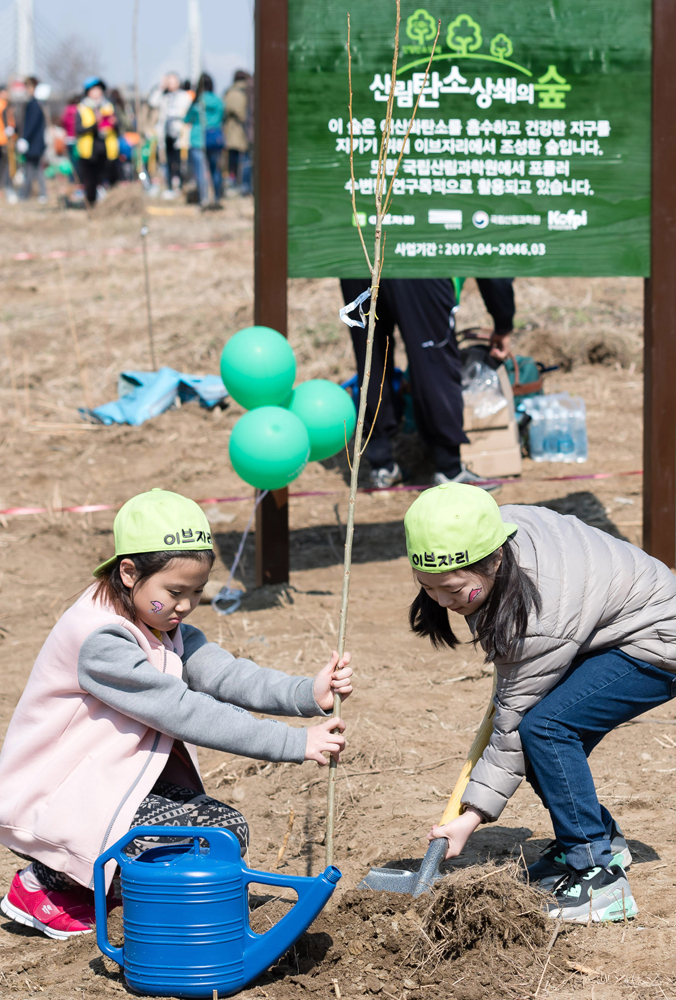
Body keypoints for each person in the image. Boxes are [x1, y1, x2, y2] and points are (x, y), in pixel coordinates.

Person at [0, 489, 352, 939]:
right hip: (60, 796)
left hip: (110, 784)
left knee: (225, 834)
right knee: (195, 842)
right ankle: (44, 883)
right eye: (175, 592)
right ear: (129, 572)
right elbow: (184, 712)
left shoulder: (158, 622)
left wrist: (306, 693)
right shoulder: (101, 640)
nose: (186, 605)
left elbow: (225, 674)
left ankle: (107, 884)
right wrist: (295, 742)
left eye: (197, 591)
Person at [405, 482, 676, 922]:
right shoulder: (485, 528)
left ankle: (598, 876)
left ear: (494, 559)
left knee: (546, 729)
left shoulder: (534, 617)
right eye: (428, 587)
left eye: (453, 589)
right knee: (540, 733)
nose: (441, 601)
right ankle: (601, 839)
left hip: (658, 639)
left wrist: (470, 818)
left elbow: (512, 726)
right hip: (603, 628)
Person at [340, 278, 497, 490]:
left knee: (371, 359)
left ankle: (382, 465)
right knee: (434, 362)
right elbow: (494, 268)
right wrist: (503, 321)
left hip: (356, 263)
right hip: (419, 264)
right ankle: (450, 469)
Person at [75, 77, 120, 205]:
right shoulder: (82, 107)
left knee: (110, 179)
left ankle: (112, 204)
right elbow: (78, 129)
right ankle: (92, 205)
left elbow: (119, 128)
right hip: (89, 151)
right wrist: (95, 124)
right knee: (90, 181)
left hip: (107, 150)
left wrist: (114, 123)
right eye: (93, 90)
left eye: (98, 89)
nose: (96, 92)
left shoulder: (109, 106)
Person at [185, 73, 224, 204]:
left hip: (198, 139)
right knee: (215, 169)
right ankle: (217, 197)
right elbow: (223, 116)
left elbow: (187, 119)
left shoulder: (198, 101)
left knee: (201, 171)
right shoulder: (218, 101)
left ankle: (204, 199)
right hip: (214, 138)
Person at [154, 73, 192, 192]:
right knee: (168, 161)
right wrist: (161, 87)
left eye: (173, 82)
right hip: (166, 133)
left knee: (180, 161)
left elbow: (188, 112)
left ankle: (181, 185)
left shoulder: (184, 96)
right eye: (169, 82)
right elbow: (153, 102)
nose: (171, 85)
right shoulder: (164, 97)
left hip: (179, 133)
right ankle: (170, 186)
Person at [17, 77, 46, 203]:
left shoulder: (35, 104)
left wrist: (24, 138)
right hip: (33, 142)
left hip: (34, 142)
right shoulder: (33, 103)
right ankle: (30, 192)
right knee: (32, 168)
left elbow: (31, 123)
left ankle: (32, 193)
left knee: (33, 168)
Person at [223, 70, 250, 192]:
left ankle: (234, 184)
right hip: (239, 130)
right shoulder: (240, 92)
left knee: (233, 160)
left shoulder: (231, 92)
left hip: (232, 131)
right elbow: (241, 113)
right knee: (242, 159)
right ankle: (241, 186)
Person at [0, 83, 17, 202]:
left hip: (5, 139)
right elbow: (6, 122)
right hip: (3, 140)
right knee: (6, 165)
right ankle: (5, 188)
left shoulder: (6, 105)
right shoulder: (3, 105)